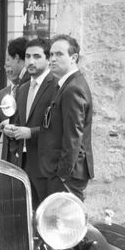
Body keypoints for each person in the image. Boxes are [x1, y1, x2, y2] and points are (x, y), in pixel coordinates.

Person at [2, 38, 57, 207]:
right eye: (27, 56)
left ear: (48, 59)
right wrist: (11, 129)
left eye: (36, 56)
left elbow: (58, 128)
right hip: (22, 164)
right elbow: (19, 121)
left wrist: (30, 132)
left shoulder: (56, 86)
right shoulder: (23, 88)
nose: (31, 61)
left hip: (45, 167)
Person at [39, 34, 94, 202]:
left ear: (73, 58)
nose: (52, 59)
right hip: (62, 173)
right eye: (51, 55)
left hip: (67, 176)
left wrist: (62, 176)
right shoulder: (65, 85)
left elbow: (73, 137)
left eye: (59, 54)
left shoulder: (72, 88)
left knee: (65, 225)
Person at [0, 36, 30, 158]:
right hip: (7, 158)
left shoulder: (31, 86)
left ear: (17, 58)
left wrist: (10, 124)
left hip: (25, 156)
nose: (7, 66)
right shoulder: (1, 94)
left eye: (8, 60)